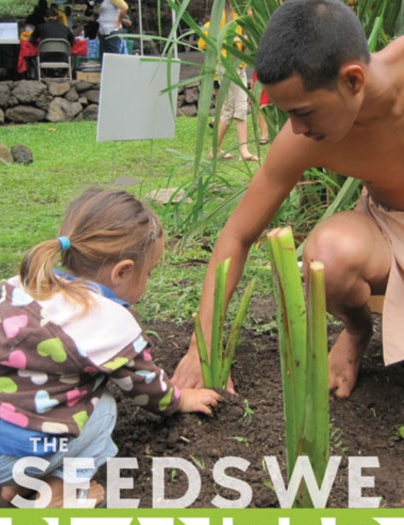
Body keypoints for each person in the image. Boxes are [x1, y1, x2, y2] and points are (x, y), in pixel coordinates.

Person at [172, 0, 404, 400]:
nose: (295, 130)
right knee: (327, 257)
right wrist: (202, 343)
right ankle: (356, 330)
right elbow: (238, 235)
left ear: (353, 80)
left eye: (304, 113)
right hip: (387, 225)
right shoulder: (301, 140)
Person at [0, 189, 220, 508]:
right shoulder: (110, 324)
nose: (148, 279)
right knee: (104, 408)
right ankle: (61, 492)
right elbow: (145, 387)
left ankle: (16, 487)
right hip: (23, 449)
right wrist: (181, 400)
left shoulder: (22, 287)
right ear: (123, 270)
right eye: (149, 272)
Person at [207, 1, 259, 162]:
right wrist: (241, 38)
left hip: (238, 66)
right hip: (229, 66)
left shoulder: (240, 16)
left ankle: (215, 149)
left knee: (231, 110)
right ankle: (243, 150)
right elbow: (220, 38)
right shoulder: (226, 16)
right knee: (238, 108)